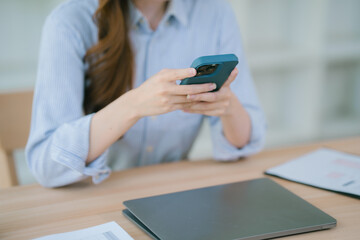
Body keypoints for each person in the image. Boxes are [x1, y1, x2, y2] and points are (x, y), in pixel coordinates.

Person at [26, 0, 266, 188]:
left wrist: (229, 106)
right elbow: (47, 166)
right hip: (94, 197)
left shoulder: (216, 13)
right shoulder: (69, 22)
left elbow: (243, 146)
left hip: (175, 192)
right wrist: (133, 106)